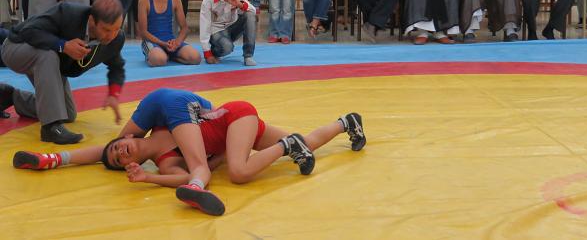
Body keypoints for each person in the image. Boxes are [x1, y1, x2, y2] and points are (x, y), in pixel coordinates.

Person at [12, 88, 366, 217]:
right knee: (305, 141)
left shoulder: (158, 122)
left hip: (229, 115)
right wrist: (147, 178)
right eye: (122, 157)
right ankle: (346, 122)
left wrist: (55, 158)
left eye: (119, 147)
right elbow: (114, 158)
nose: (121, 149)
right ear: (132, 163)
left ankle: (286, 147)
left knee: (237, 172)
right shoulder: (164, 161)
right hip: (231, 127)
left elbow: (103, 151)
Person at [0, 0, 125, 143]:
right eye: (106, 29)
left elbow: (117, 67)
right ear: (92, 20)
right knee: (48, 55)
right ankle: (50, 128)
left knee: (66, 113)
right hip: (16, 47)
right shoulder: (68, 13)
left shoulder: (115, 39)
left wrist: (113, 94)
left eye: (117, 29)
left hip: (49, 62)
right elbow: (28, 31)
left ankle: (9, 96)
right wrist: (63, 45)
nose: (111, 35)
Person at [139, 0, 200, 67]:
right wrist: (161, 43)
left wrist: (177, 43)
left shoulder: (175, 0)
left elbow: (184, 28)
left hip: (170, 41)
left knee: (195, 57)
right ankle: (158, 55)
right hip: (152, 42)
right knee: (159, 59)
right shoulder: (144, 1)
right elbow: (143, 32)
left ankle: (170, 55)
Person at [199, 0, 257, 66]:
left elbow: (253, 11)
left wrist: (239, 4)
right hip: (216, 31)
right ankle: (214, 51)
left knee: (250, 15)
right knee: (227, 48)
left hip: (232, 28)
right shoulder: (208, 0)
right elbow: (204, 27)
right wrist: (207, 53)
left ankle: (248, 55)